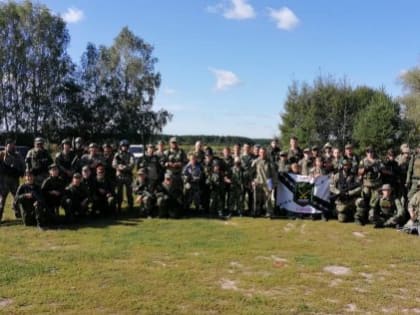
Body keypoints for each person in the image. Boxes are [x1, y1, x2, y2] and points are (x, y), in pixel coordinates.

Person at [355, 146, 383, 225]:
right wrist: (365, 168)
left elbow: (383, 170)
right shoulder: (363, 161)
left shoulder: (378, 161)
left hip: (376, 185)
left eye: (371, 152)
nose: (370, 153)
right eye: (368, 152)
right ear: (366, 153)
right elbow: (359, 172)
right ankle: (359, 217)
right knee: (362, 201)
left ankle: (372, 218)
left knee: (374, 203)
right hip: (366, 185)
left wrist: (377, 166)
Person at [0, 139, 25, 221]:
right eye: (9, 146)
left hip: (14, 180)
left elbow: (23, 165)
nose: (11, 147)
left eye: (13, 145)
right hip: (4, 181)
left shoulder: (18, 155)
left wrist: (21, 172)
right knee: (2, 200)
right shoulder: (1, 154)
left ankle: (18, 215)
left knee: (17, 198)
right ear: (6, 146)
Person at [252, 147, 277, 217]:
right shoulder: (256, 161)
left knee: (268, 199)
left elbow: (273, 173)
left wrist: (273, 184)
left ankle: (269, 212)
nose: (262, 154)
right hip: (258, 182)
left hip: (267, 182)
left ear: (266, 153)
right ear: (259, 153)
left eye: (264, 152)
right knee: (257, 199)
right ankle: (257, 211)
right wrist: (253, 181)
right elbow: (251, 172)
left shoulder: (269, 162)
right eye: (261, 152)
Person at [112, 140, 135, 213]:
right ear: (120, 146)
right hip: (119, 176)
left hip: (128, 175)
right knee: (119, 192)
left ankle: (130, 206)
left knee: (129, 192)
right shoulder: (117, 154)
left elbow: (132, 164)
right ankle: (119, 207)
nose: (124, 147)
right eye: (123, 146)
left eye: (125, 146)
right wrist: (119, 166)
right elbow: (113, 164)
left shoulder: (130, 154)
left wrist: (125, 167)